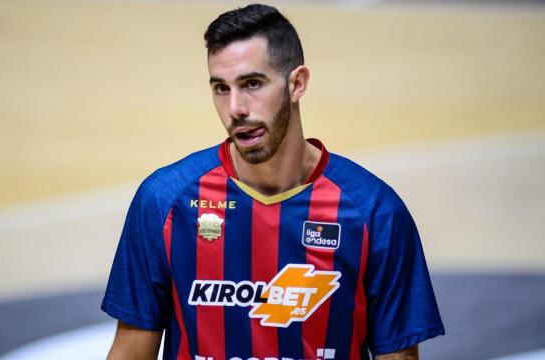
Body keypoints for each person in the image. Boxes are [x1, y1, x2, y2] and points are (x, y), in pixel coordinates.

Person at [102, 4, 444, 359]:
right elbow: (130, 349)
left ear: (297, 83)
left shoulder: (374, 212)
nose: (236, 108)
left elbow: (399, 356)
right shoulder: (164, 202)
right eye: (221, 88)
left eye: (252, 84)